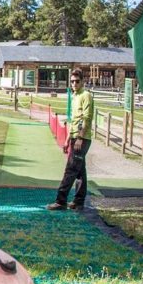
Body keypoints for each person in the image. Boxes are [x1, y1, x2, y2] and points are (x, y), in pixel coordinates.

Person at [47, 69, 94, 211]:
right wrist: (68, 139)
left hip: (82, 138)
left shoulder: (86, 96)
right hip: (74, 136)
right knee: (80, 171)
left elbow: (86, 118)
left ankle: (61, 201)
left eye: (77, 81)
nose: (74, 84)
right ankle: (78, 201)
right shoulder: (74, 96)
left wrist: (80, 137)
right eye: (72, 81)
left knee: (71, 169)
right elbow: (73, 120)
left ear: (82, 81)